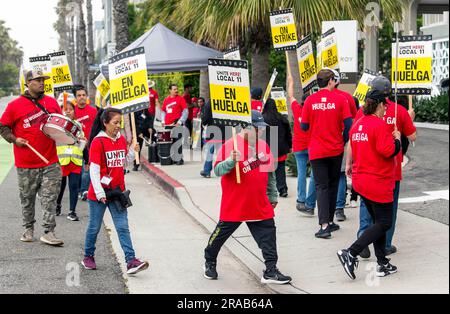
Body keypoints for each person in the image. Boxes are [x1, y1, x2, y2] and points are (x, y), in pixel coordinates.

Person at [203, 110, 292, 285]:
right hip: (235, 203)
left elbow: (270, 173)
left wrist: (272, 194)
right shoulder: (230, 146)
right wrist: (231, 161)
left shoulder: (264, 146)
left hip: (258, 202)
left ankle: (271, 270)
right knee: (220, 235)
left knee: (268, 235)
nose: (261, 132)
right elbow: (218, 170)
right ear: (245, 127)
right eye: (257, 128)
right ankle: (210, 260)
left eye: (262, 128)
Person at [337, 89, 402, 280]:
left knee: (377, 223)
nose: (386, 110)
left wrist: (349, 164)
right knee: (384, 222)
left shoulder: (357, 125)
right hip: (378, 181)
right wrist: (397, 139)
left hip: (361, 181)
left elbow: (353, 147)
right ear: (381, 105)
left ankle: (382, 263)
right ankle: (350, 252)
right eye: (385, 106)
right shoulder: (379, 125)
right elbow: (388, 151)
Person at [0, 70, 64, 246]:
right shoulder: (15, 105)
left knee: (49, 197)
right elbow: (3, 127)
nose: (42, 83)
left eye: (43, 80)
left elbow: (61, 124)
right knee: (27, 198)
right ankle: (28, 228)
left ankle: (49, 231)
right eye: (37, 80)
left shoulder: (51, 102)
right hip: (26, 163)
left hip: (50, 160)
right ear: (28, 83)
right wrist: (15, 139)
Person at [82, 108, 149, 275]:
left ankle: (131, 261)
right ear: (105, 123)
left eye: (120, 122)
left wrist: (134, 151)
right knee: (94, 227)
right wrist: (99, 194)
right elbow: (94, 171)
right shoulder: (98, 142)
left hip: (118, 192)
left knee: (122, 227)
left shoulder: (121, 139)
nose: (118, 126)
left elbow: (123, 163)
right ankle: (88, 256)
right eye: (115, 123)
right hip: (100, 194)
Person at [355, 76, 417, 258]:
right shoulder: (399, 111)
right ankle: (386, 245)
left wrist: (350, 162)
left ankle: (363, 237)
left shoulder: (364, 111)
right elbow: (412, 137)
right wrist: (409, 119)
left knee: (366, 208)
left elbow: (354, 137)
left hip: (366, 167)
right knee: (388, 212)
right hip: (391, 170)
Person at [301, 69, 353, 239]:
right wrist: (343, 139)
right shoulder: (340, 99)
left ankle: (324, 225)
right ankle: (329, 222)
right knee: (332, 185)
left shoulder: (309, 100)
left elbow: (304, 126)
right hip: (335, 149)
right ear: (330, 81)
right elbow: (348, 124)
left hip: (316, 150)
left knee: (321, 186)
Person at [332, 71, 358, 222]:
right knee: (340, 175)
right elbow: (354, 120)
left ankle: (330, 209)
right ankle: (338, 209)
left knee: (328, 178)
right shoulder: (347, 97)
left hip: (330, 143)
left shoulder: (314, 99)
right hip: (342, 142)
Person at [288, 76, 316, 216]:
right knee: (314, 174)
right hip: (312, 146)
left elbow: (290, 96)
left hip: (298, 146)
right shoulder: (314, 112)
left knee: (301, 173)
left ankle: (301, 200)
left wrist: (291, 82)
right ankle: (310, 203)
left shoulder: (297, 108)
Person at [56, 101, 87, 221]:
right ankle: (57, 205)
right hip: (61, 160)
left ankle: (72, 211)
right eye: (65, 109)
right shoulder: (57, 126)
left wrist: (87, 159)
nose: (68, 111)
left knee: (74, 186)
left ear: (74, 111)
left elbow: (82, 144)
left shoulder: (78, 126)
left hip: (75, 160)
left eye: (70, 109)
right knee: (61, 186)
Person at [262, 98, 292, 198]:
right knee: (280, 169)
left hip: (266, 148)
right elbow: (288, 134)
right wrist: (290, 146)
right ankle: (282, 189)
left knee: (266, 170)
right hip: (280, 148)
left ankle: (266, 190)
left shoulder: (262, 119)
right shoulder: (283, 119)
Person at [73, 85, 98, 201]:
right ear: (75, 98)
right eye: (79, 95)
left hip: (90, 146)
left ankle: (84, 191)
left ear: (86, 96)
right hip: (76, 147)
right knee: (77, 170)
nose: (82, 97)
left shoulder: (93, 111)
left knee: (86, 169)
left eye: (83, 95)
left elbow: (97, 128)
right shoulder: (72, 112)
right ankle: (78, 190)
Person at [161, 84, 188, 165]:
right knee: (170, 142)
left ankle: (179, 159)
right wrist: (162, 120)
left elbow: (185, 111)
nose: (176, 90)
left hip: (177, 124)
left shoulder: (180, 99)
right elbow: (163, 111)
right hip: (168, 125)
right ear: (170, 90)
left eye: (177, 89)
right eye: (174, 89)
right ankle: (172, 158)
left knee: (178, 141)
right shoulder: (166, 100)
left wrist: (180, 121)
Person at [200, 100, 225, 178]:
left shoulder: (210, 102)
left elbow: (206, 118)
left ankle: (207, 171)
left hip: (212, 130)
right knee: (221, 152)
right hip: (224, 129)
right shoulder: (225, 101)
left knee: (210, 152)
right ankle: (222, 171)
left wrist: (203, 122)